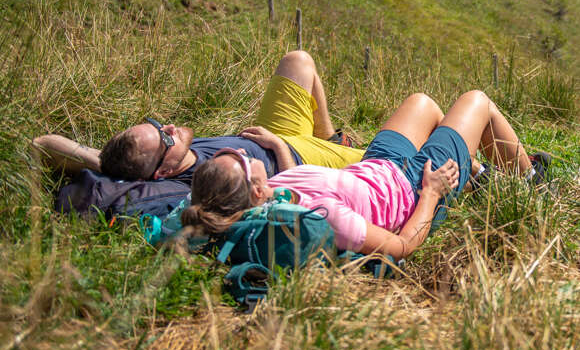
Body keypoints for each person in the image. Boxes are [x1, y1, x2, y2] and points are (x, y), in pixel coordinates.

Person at [183, 90, 548, 260]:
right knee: (477, 101)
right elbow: (403, 247)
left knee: (423, 103)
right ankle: (532, 182)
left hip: (378, 165)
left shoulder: (272, 195)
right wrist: (433, 194)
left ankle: (477, 175)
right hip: (413, 187)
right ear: (256, 189)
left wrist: (279, 148)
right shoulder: (326, 218)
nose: (242, 152)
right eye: (241, 160)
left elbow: (300, 183)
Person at [32, 51, 365, 183]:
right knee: (397, 156)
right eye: (164, 137)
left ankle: (328, 134)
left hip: (270, 133)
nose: (170, 126)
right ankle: (332, 147)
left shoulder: (154, 162)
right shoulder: (189, 187)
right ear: (162, 170)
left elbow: (42, 143)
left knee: (298, 61)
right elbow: (290, 197)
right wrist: (278, 147)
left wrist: (100, 161)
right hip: (296, 156)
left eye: (156, 125)